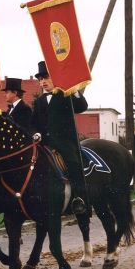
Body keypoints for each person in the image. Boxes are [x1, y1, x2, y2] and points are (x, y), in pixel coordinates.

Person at [30, 61, 88, 214]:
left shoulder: (65, 95)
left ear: (54, 77)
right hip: (45, 143)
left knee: (73, 163)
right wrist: (35, 133)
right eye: (40, 79)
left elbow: (82, 107)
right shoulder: (39, 101)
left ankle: (79, 198)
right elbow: (34, 122)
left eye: (46, 78)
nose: (43, 82)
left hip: (65, 142)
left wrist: (74, 90)